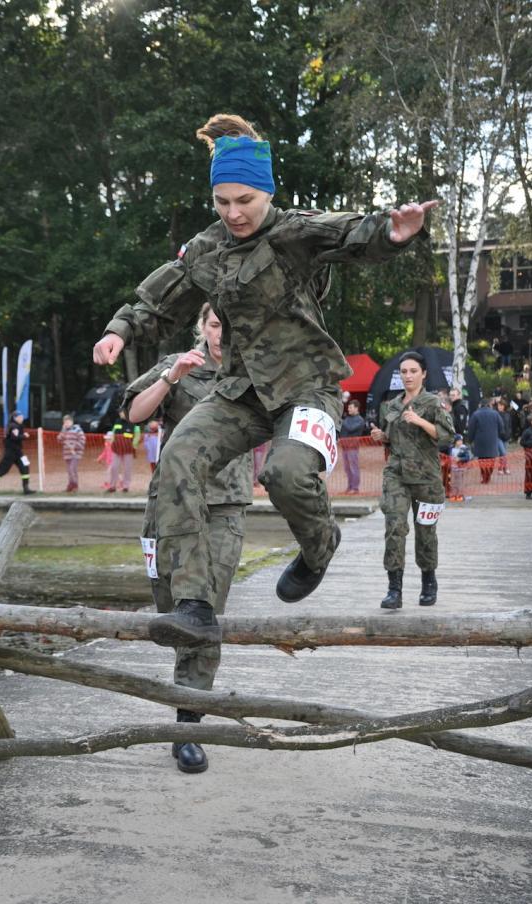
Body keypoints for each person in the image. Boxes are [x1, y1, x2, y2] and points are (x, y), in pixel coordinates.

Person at [93, 112, 436, 647]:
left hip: (307, 386)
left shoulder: (292, 231)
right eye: (222, 202)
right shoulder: (205, 248)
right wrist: (120, 330)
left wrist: (391, 233)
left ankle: (320, 546)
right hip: (241, 391)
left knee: (286, 472)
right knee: (180, 454)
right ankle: (193, 604)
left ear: (266, 195)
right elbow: (159, 295)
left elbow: (346, 231)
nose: (234, 213)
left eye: (245, 202)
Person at [125, 304, 253, 774]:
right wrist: (170, 378)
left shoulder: (254, 369)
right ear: (202, 326)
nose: (222, 333)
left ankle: (188, 728)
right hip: (171, 507)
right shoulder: (178, 365)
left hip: (224, 506)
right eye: (215, 324)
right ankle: (187, 701)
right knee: (170, 610)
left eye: (230, 324)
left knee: (203, 615)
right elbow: (134, 410)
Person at [370, 351, 454, 609]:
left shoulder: (432, 403)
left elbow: (447, 436)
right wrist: (381, 436)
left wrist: (420, 421)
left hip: (426, 478)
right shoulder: (392, 405)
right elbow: (393, 436)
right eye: (404, 371)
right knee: (394, 527)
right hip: (396, 474)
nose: (408, 376)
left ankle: (429, 581)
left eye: (413, 371)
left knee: (425, 533)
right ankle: (394, 589)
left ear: (423, 374)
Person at [0, 411, 35, 495]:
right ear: (15, 418)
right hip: (10, 453)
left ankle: (26, 489)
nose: (22, 418)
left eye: (22, 417)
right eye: (20, 417)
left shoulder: (19, 426)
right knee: (3, 470)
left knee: (25, 466)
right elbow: (15, 437)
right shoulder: (13, 426)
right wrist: (24, 436)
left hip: (19, 452)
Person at [467, 398, 505, 485]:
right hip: (492, 440)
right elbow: (501, 426)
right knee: (491, 459)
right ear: (489, 405)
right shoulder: (495, 414)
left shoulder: (476, 414)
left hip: (480, 441)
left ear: (480, 405)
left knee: (482, 460)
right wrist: (499, 434)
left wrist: (470, 439)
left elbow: (471, 428)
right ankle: (488, 476)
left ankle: (484, 476)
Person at [106, 409, 140, 493]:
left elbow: (137, 435)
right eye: (120, 413)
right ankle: (112, 486)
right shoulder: (117, 422)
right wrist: (112, 442)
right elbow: (113, 433)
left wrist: (134, 445)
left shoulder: (134, 422)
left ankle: (126, 486)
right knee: (114, 467)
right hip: (116, 448)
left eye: (123, 412)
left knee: (127, 468)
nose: (121, 414)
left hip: (128, 449)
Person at [340, 399, 366, 494]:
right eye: (348, 407)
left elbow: (351, 428)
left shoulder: (360, 420)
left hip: (353, 447)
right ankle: (349, 486)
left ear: (356, 408)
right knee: (347, 469)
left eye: (350, 407)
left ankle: (355, 488)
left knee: (354, 468)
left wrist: (341, 420)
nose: (348, 409)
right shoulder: (347, 418)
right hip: (344, 447)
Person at [57, 414, 86, 492]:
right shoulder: (64, 430)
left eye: (68, 422)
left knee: (72, 468)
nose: (66, 424)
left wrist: (75, 446)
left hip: (76, 453)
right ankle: (71, 484)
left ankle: (74, 484)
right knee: (69, 470)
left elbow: (82, 440)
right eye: (65, 422)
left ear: (72, 422)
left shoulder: (77, 429)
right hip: (67, 454)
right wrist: (63, 431)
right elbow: (59, 439)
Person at [448, 433, 471, 502]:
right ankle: (454, 495)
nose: (460, 442)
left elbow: (467, 457)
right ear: (455, 441)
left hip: (461, 468)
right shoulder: (451, 449)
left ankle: (462, 495)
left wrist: (460, 459)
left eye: (461, 440)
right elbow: (449, 457)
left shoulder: (464, 448)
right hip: (453, 468)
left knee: (461, 482)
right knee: (454, 482)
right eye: (459, 441)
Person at [494, 398, 512, 475]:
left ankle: (501, 468)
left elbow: (510, 425)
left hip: (506, 437)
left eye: (501, 405)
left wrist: (510, 434)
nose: (500, 407)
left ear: (504, 406)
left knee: (503, 453)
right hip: (498, 437)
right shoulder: (495, 414)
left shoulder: (508, 414)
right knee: (503, 453)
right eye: (499, 405)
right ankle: (505, 467)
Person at [520, 414, 532, 500]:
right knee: (529, 475)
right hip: (530, 457)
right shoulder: (527, 432)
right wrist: (531, 443)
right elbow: (522, 442)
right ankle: (528, 492)